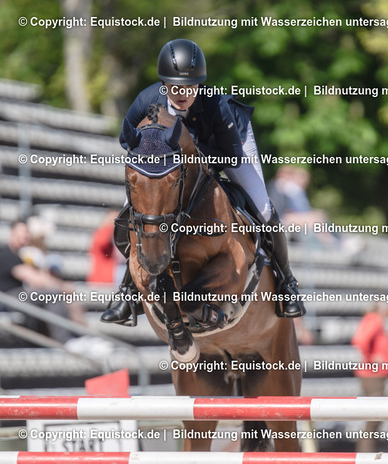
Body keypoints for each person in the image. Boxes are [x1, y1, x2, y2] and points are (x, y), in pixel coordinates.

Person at [101, 38, 305, 325]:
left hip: (229, 146)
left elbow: (231, 157)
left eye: (190, 86)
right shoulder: (147, 101)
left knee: (263, 207)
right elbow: (127, 141)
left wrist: (190, 152)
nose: (182, 93)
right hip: (168, 160)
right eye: (175, 87)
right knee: (132, 212)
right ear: (164, 84)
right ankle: (128, 291)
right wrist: (157, 151)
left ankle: (286, 283)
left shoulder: (216, 105)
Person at [0, 220, 83, 343]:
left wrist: (63, 287)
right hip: (9, 299)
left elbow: (39, 277)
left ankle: (80, 336)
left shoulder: (22, 255)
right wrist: (62, 286)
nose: (25, 235)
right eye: (22, 232)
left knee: (68, 297)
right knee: (54, 295)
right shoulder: (7, 255)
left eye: (27, 232)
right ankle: (65, 340)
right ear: (12, 233)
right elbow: (35, 278)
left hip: (20, 296)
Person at [351, 303, 388, 452]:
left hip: (374, 374)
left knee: (375, 416)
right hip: (373, 375)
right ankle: (366, 452)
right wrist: (370, 358)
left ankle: (367, 451)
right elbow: (360, 340)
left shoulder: (374, 321)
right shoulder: (374, 321)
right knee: (375, 415)